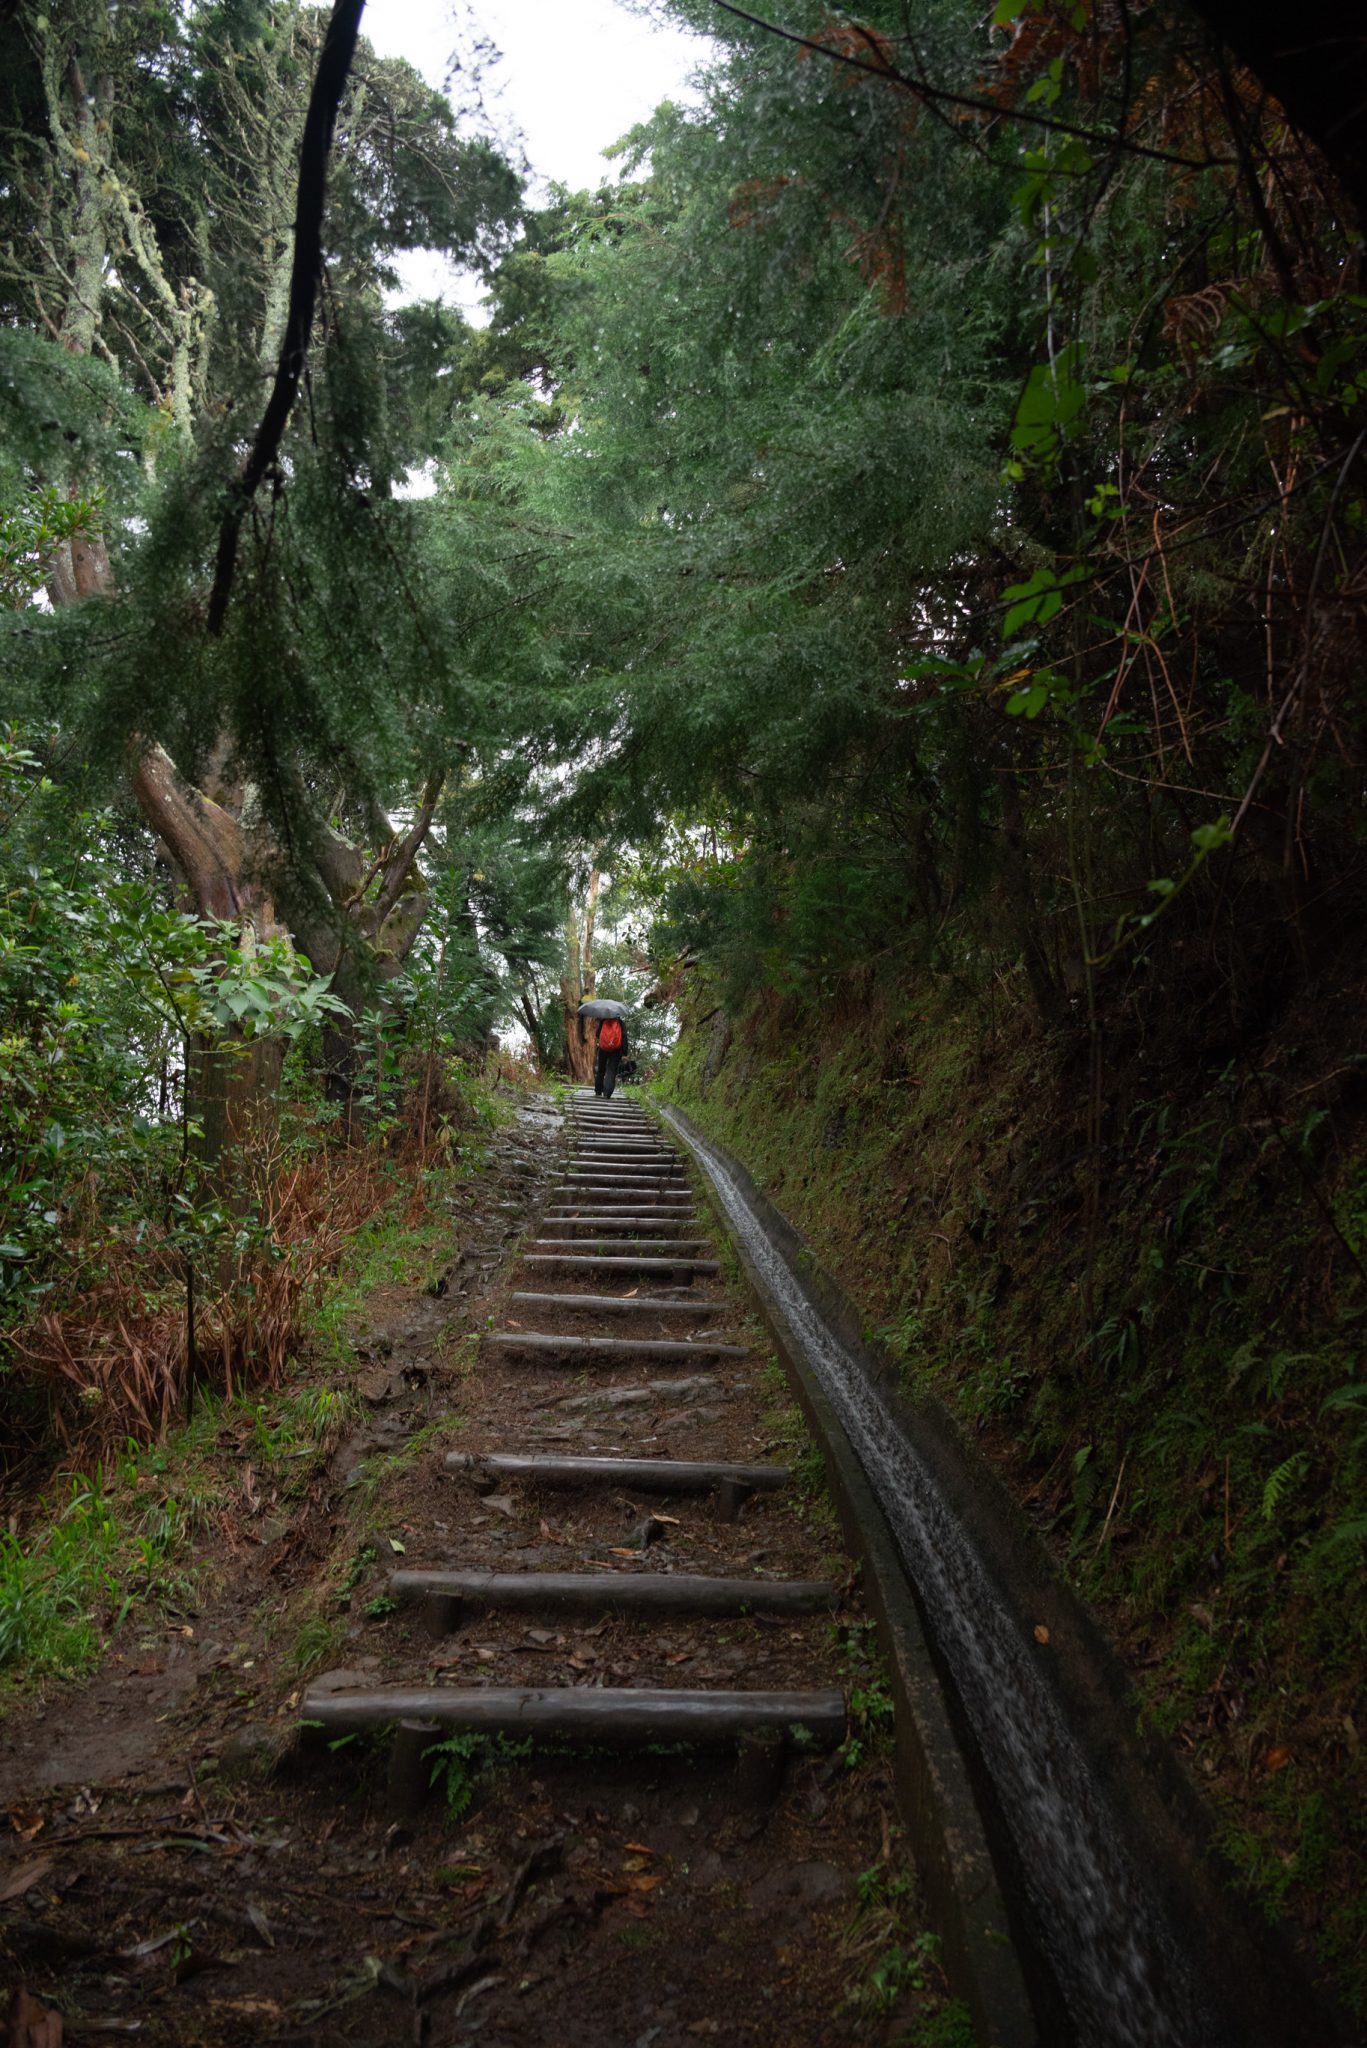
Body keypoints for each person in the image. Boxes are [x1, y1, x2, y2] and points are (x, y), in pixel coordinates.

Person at [594, 1014, 627, 1098]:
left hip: (603, 1048)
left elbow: (597, 1034)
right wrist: (624, 1053)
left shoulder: (603, 1021)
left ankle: (598, 1090)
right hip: (616, 1050)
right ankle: (607, 1093)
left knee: (601, 1069)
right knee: (611, 1070)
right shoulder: (620, 1023)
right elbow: (624, 1037)